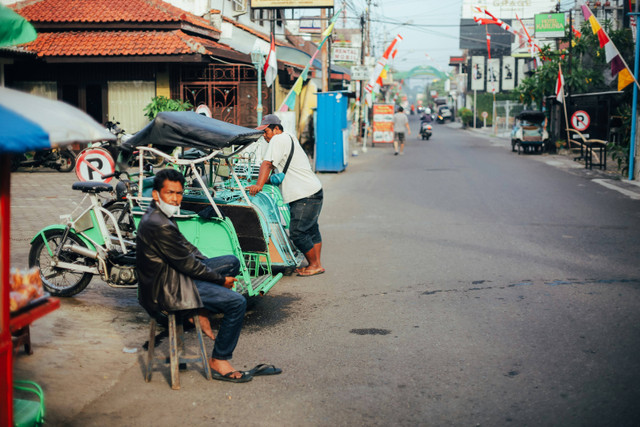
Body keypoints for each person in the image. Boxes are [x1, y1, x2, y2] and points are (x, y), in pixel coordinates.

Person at [136, 168, 252, 383]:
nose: (175, 198)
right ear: (155, 194)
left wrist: (207, 263)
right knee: (237, 302)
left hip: (176, 275)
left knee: (231, 262)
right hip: (167, 288)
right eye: (170, 193)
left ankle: (198, 309)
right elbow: (187, 264)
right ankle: (219, 359)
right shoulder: (158, 224)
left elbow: (187, 248)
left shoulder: (162, 215)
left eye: (179, 193)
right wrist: (219, 280)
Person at [247, 114, 325, 277]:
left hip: (305, 195)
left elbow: (267, 163)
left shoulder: (278, 139)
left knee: (297, 232)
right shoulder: (289, 138)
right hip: (313, 190)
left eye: (266, 132)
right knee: (311, 230)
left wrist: (258, 185)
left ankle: (314, 265)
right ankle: (316, 264)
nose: (265, 136)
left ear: (276, 128)